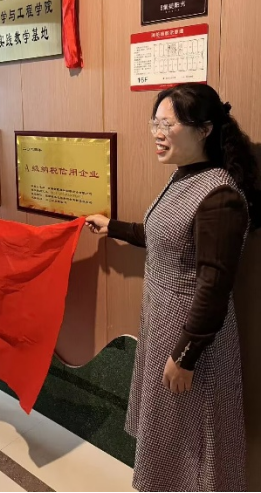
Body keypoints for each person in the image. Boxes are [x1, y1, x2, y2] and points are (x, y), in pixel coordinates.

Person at [86, 83, 260, 493]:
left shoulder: (220, 196)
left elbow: (214, 287)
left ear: (204, 130)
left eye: (168, 124)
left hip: (194, 343)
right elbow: (162, 233)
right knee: (169, 437)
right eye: (155, 123)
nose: (157, 133)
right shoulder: (185, 177)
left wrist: (185, 356)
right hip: (166, 326)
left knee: (194, 442)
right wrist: (113, 227)